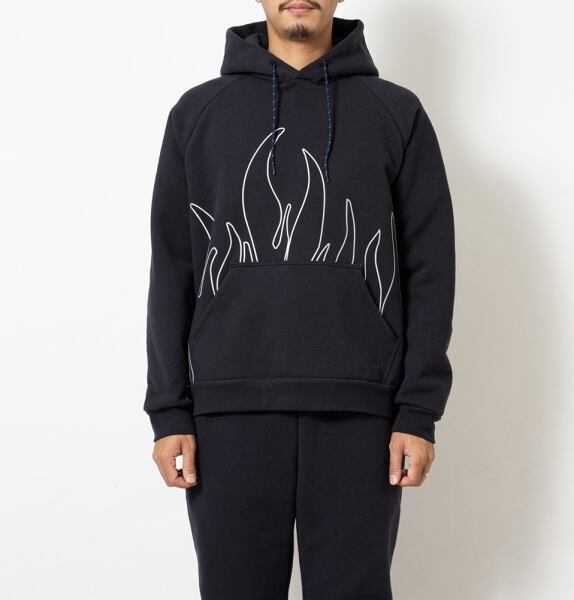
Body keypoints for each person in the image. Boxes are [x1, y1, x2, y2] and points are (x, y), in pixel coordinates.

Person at [143, 1, 456, 598]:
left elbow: (431, 269)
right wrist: (169, 410)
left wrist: (418, 411)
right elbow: (173, 265)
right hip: (227, 414)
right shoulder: (198, 112)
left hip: (360, 415)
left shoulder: (397, 112)